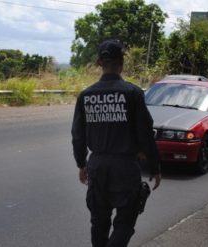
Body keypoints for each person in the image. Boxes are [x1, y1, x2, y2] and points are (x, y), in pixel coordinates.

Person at [71, 39, 161, 247]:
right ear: (122, 62)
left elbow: (78, 135)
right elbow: (145, 134)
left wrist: (81, 163)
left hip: (97, 166)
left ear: (99, 63)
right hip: (125, 167)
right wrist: (154, 167)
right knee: (125, 223)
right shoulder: (132, 93)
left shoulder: (86, 95)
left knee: (99, 222)